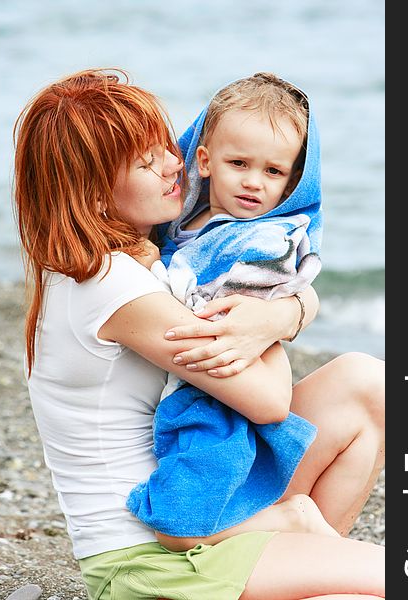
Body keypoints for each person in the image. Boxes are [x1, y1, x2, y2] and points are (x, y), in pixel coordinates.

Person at [13, 68, 385, 600]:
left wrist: (285, 312)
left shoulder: (125, 259)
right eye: (146, 163)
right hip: (149, 557)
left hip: (207, 509)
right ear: (93, 195)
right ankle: (302, 555)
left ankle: (303, 560)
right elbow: (268, 400)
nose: (174, 164)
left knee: (367, 383)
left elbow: (273, 310)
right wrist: (273, 320)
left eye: (164, 146)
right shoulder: (110, 282)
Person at [127, 72, 337, 548]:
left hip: (224, 393)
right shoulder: (186, 219)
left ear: (292, 183)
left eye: (273, 172)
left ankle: (298, 530)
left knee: (178, 527)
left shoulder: (264, 241)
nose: (252, 182)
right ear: (203, 160)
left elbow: (197, 305)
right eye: (238, 162)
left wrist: (152, 268)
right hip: (203, 384)